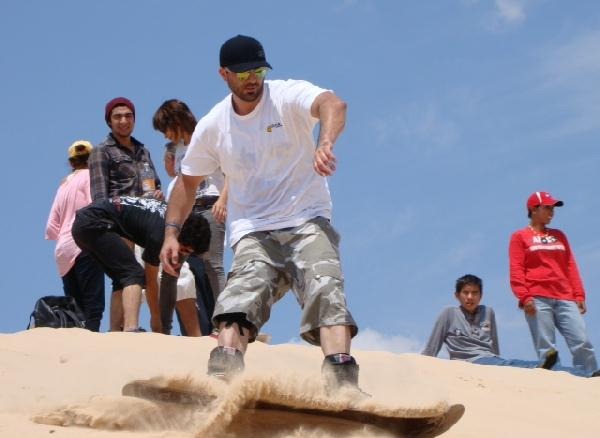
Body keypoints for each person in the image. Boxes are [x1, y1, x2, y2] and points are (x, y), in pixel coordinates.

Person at [160, 35, 359, 391]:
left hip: (306, 220)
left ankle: (342, 382)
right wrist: (171, 233)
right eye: (242, 74)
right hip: (253, 232)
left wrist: (325, 141)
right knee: (238, 301)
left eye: (258, 71)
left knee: (325, 288)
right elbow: (187, 185)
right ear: (223, 74)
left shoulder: (285, 96)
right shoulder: (214, 125)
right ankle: (221, 382)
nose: (252, 79)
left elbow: (333, 104)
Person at [72, 196, 210, 332]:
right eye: (184, 250)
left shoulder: (171, 216)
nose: (182, 254)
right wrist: (156, 319)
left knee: (121, 278)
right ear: (180, 236)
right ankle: (131, 329)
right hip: (95, 222)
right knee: (134, 274)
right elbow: (151, 281)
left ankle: (115, 332)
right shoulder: (159, 235)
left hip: (83, 222)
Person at [421, 274, 599, 376]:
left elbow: (493, 345)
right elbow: (431, 348)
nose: (470, 297)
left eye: (475, 293)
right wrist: (421, 369)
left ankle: (587, 374)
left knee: (529, 366)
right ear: (457, 295)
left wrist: (499, 366)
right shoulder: (449, 313)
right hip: (469, 363)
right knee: (528, 366)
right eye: (465, 293)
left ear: (481, 295)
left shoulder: (487, 312)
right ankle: (585, 375)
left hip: (492, 360)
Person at [89, 97, 164, 331]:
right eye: (118, 117)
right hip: (119, 222)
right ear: (109, 122)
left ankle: (137, 328)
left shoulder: (143, 151)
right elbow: (99, 197)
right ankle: (119, 331)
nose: (124, 121)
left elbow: (155, 183)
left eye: (128, 116)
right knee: (124, 276)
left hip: (146, 221)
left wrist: (158, 193)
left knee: (148, 276)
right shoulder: (101, 151)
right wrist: (111, 227)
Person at [509, 191, 599, 375]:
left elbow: (570, 265)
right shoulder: (520, 236)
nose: (552, 212)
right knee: (547, 349)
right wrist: (525, 297)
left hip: (565, 296)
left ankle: (590, 376)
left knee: (581, 340)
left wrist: (579, 294)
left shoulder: (559, 235)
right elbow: (516, 268)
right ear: (533, 209)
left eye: (553, 208)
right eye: (547, 208)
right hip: (537, 298)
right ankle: (555, 381)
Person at [153, 99, 228, 304]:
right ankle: (168, 322)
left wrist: (223, 200)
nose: (166, 135)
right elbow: (181, 181)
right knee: (177, 265)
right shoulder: (176, 148)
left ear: (176, 122)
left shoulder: (206, 137)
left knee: (213, 265)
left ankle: (226, 315)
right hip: (188, 211)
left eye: (166, 129)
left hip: (210, 204)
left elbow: (230, 170)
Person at [45, 141, 105, 331]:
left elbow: (51, 228)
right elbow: (96, 207)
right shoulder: (91, 177)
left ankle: (76, 341)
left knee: (74, 308)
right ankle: (91, 342)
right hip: (84, 243)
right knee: (93, 306)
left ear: (71, 162)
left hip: (62, 250)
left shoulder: (63, 186)